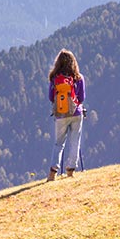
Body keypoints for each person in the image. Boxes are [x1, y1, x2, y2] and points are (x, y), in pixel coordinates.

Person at [47, 48, 85, 181]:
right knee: (75, 141)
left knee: (58, 143)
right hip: (76, 113)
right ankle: (70, 170)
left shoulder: (54, 79)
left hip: (60, 115)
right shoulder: (78, 78)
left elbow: (51, 97)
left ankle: (53, 172)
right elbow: (81, 98)